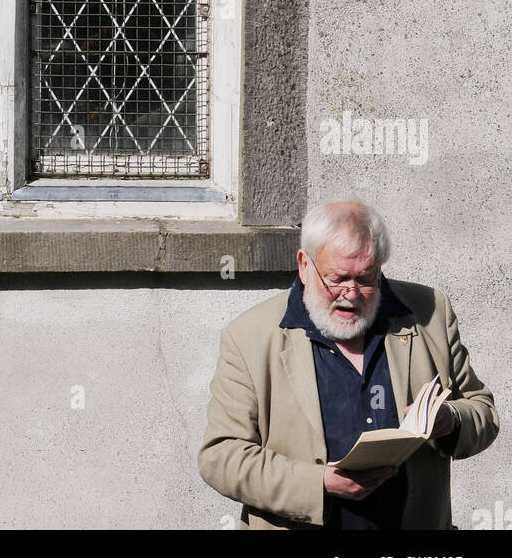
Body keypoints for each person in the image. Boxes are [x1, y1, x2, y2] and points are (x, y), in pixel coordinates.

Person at [198, 199, 499, 529]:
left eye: (366, 279)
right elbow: (221, 457)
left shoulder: (430, 313)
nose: (351, 294)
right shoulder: (250, 337)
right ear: (304, 264)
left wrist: (450, 420)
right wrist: (319, 484)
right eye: (337, 278)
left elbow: (481, 410)